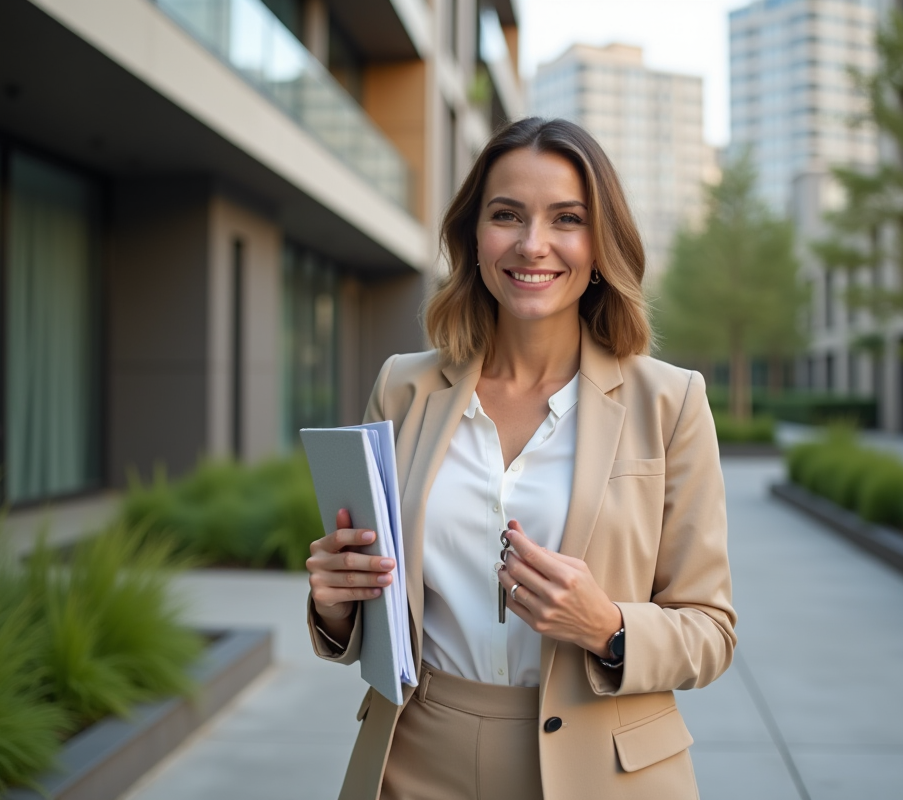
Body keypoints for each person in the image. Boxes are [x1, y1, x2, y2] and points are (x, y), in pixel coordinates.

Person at [304, 117, 736, 800]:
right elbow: (370, 609)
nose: (533, 244)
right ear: (474, 238)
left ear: (600, 245)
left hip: (604, 772)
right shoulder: (402, 388)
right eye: (507, 215)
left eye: (567, 219)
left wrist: (609, 626)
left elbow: (710, 631)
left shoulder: (672, 401)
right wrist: (334, 604)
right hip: (416, 756)